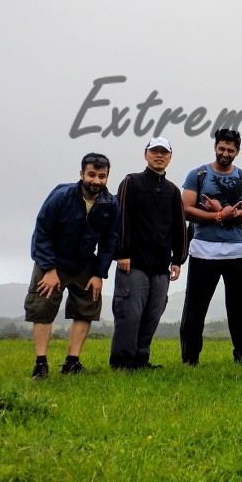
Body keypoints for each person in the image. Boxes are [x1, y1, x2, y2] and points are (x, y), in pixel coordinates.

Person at [24, 153, 120, 379]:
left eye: (102, 176)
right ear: (82, 174)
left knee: (86, 308)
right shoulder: (61, 196)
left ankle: (72, 362)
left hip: (85, 260)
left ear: (107, 177)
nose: (96, 180)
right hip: (52, 259)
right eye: (91, 175)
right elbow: (42, 232)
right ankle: (40, 364)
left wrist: (99, 274)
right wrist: (48, 269)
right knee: (43, 308)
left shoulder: (110, 204)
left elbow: (110, 241)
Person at [180, 129, 242, 365]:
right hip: (203, 249)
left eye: (230, 150)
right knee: (195, 308)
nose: (225, 153)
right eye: (222, 148)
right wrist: (217, 215)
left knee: (239, 310)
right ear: (215, 147)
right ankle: (190, 358)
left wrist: (224, 213)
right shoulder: (198, 174)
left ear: (238, 152)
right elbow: (185, 209)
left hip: (235, 250)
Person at [109, 137, 187, 370]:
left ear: (170, 157)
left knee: (153, 314)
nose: (159, 155)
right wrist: (122, 252)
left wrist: (178, 260)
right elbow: (121, 217)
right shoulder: (131, 182)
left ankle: (141, 359)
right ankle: (122, 361)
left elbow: (179, 226)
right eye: (155, 151)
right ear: (146, 155)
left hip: (160, 266)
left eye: (164, 152)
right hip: (133, 263)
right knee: (129, 315)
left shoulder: (172, 191)